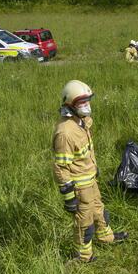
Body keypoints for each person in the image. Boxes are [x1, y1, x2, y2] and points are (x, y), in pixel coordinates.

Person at [53, 80, 129, 263]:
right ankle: (83, 256)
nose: (87, 106)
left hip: (90, 181)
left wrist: (94, 168)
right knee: (84, 222)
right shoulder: (65, 133)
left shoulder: (82, 121)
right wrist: (69, 196)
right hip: (79, 187)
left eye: (88, 101)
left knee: (99, 211)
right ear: (70, 105)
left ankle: (105, 237)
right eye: (82, 102)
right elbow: (61, 168)